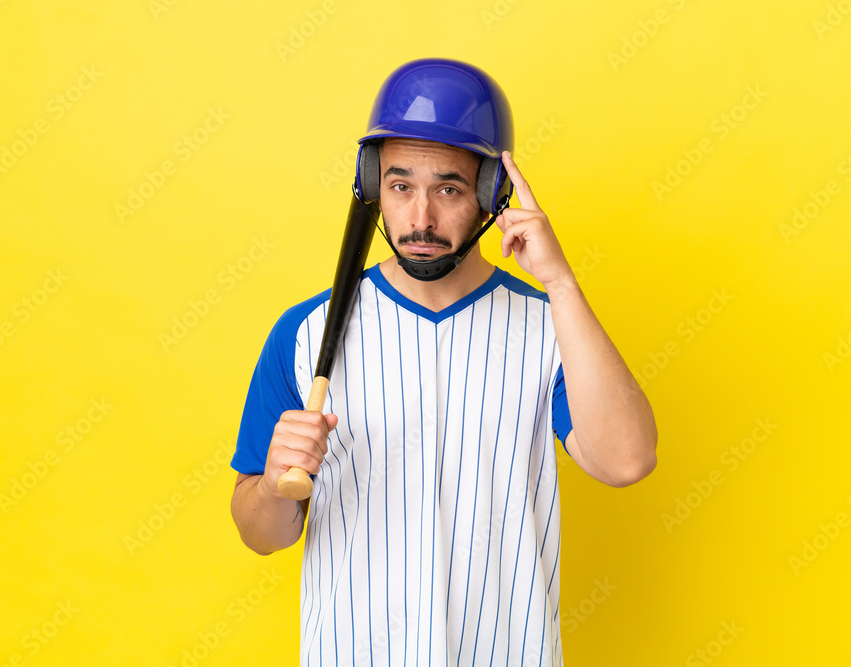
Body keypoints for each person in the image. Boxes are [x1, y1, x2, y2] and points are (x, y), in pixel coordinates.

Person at [229, 58, 657, 665]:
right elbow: (259, 534)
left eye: (449, 189)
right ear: (377, 186)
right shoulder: (304, 333)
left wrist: (561, 284)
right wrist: (273, 486)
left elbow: (627, 460)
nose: (420, 218)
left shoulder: (550, 327)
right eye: (401, 186)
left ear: (491, 191)